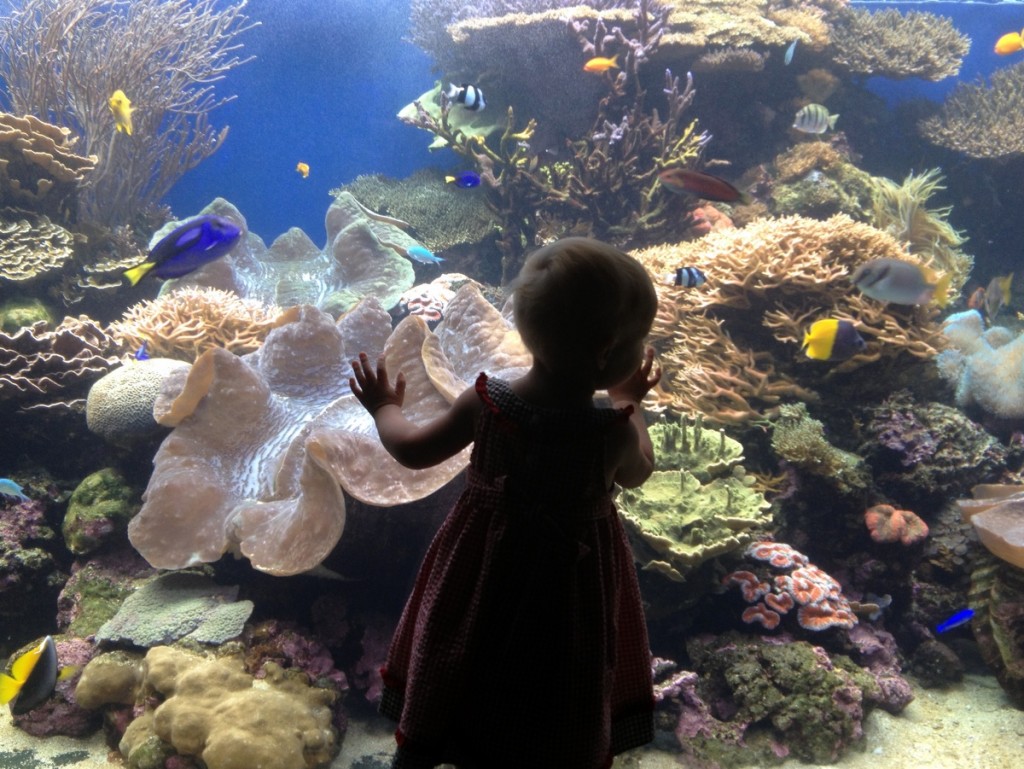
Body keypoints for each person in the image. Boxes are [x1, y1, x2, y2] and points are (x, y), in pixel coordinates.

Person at [349, 237, 662, 769]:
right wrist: (630, 401)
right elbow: (639, 473)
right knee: (564, 671)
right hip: (569, 587)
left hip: (481, 572)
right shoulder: (611, 430)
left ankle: (427, 747)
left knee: (461, 648)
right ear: (607, 350)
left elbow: (411, 450)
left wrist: (383, 406)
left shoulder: (487, 402)